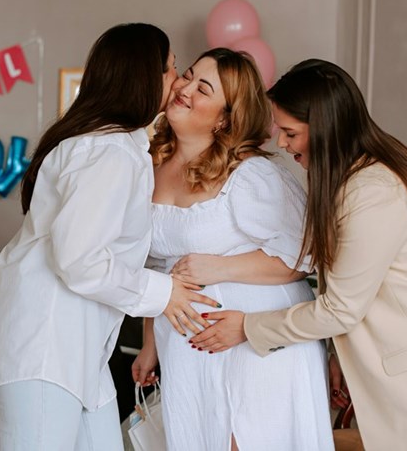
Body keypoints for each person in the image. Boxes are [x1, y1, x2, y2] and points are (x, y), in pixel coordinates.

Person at [190, 58, 407, 450]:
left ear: (326, 128)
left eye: (290, 133)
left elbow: (340, 309)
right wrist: (339, 352)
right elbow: (357, 289)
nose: (281, 143)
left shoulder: (372, 192)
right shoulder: (364, 174)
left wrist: (247, 327)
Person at [0, 23, 220, 451]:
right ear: (143, 76)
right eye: (171, 68)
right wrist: (164, 293)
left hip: (80, 348)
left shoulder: (119, 147)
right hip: (49, 346)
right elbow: (80, 260)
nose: (178, 80)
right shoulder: (107, 151)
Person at [131, 48, 334, 451]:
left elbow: (302, 257)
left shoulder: (251, 174)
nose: (185, 88)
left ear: (224, 118)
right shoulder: (147, 166)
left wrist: (219, 268)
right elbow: (156, 268)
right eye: (188, 75)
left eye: (203, 88)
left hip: (256, 344)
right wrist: (149, 344)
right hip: (187, 347)